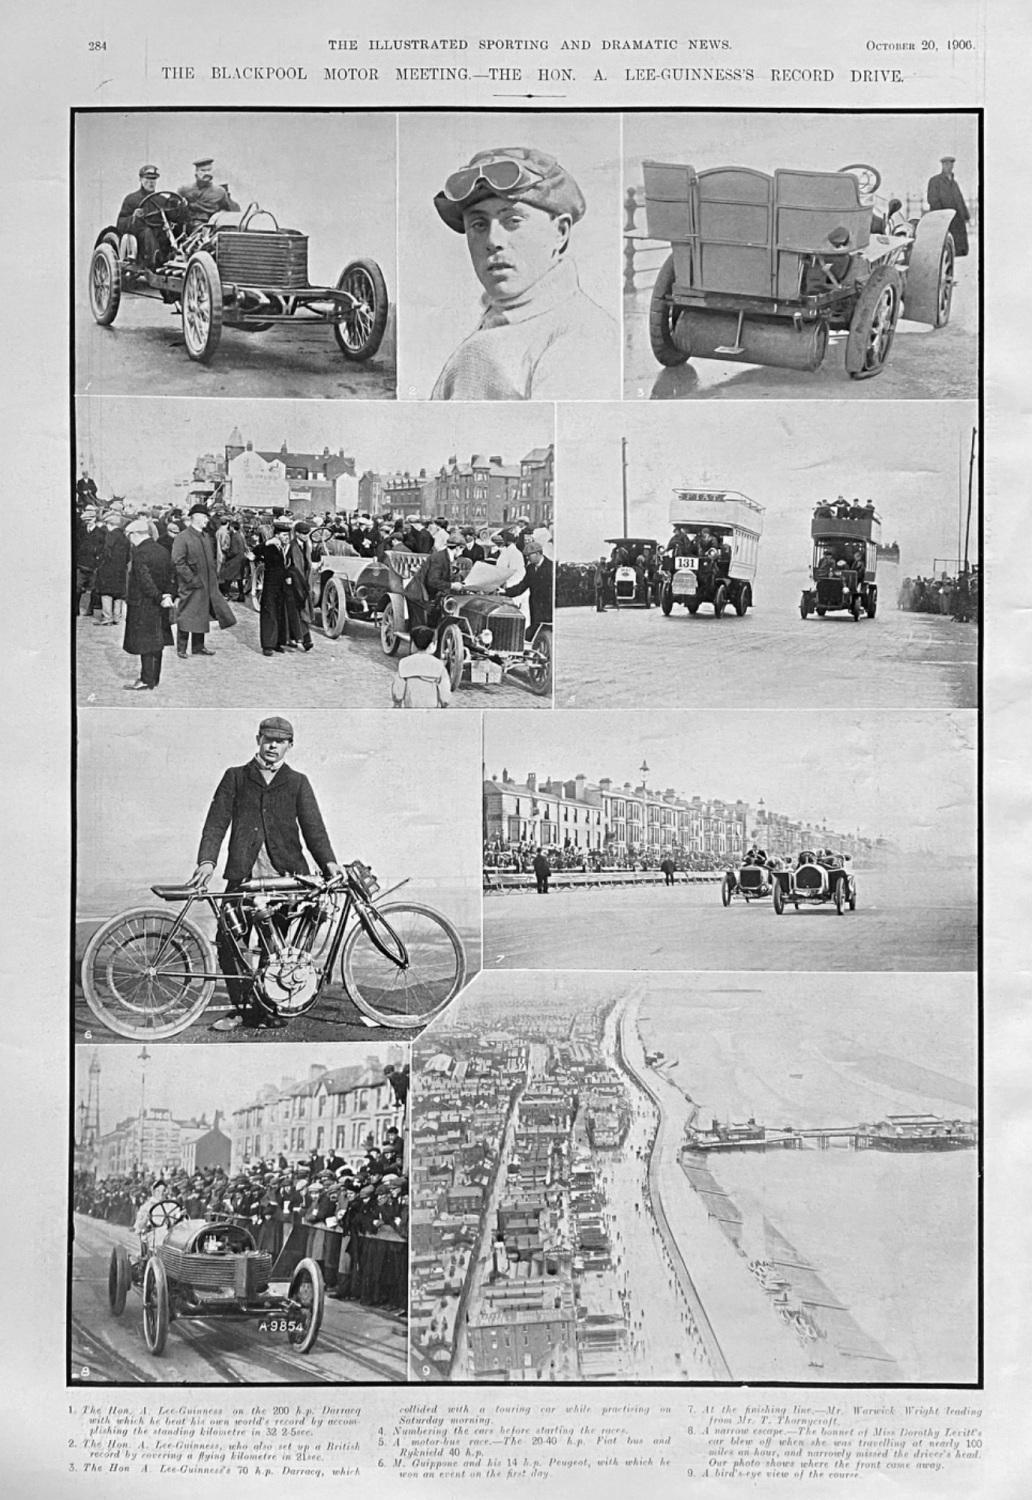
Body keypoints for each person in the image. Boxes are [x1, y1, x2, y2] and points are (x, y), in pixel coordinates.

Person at [189, 716, 342, 1032]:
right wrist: (207, 862)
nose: (273, 746)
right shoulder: (235, 777)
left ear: (290, 745)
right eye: (268, 739)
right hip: (242, 877)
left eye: (280, 741)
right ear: (258, 739)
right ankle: (241, 1009)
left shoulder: (298, 782)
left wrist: (329, 863)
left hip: (287, 880)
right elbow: (216, 823)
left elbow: (314, 829)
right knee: (230, 943)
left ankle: (264, 1010)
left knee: (277, 951)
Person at [430, 146, 618, 400]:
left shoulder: (584, 335)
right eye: (478, 225)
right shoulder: (499, 323)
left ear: (561, 233)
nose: (492, 240)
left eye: (513, 221)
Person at [171, 504, 236, 659]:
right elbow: (178, 561)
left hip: (207, 584)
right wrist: (191, 579)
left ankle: (198, 647)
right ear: (196, 517)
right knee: (187, 614)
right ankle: (181, 648)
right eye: (205, 517)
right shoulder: (183, 537)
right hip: (191, 584)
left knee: (201, 615)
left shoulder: (206, 537)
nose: (207, 520)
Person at [122, 517, 175, 691]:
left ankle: (146, 679)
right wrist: (166, 595)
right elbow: (170, 576)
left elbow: (145, 581)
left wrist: (158, 596)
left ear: (135, 534)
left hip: (143, 604)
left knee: (145, 644)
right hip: (160, 604)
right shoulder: (162, 550)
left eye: (129, 535)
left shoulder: (140, 553)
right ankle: (154, 678)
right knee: (157, 642)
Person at [115, 165, 170, 266]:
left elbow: (174, 217)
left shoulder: (162, 200)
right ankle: (155, 262)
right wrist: (134, 217)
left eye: (153, 179)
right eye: (147, 178)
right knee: (148, 232)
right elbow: (120, 224)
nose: (151, 182)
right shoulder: (131, 199)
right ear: (140, 179)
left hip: (161, 235)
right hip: (141, 240)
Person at [391, 624, 452, 708]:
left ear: (413, 644)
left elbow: (397, 695)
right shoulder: (439, 666)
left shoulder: (404, 663)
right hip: (431, 713)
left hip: (410, 713)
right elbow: (445, 698)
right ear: (433, 645)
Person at [504, 539, 553, 634]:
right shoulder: (530, 568)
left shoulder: (551, 568)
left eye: (529, 555)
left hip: (548, 607)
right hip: (535, 606)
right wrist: (504, 592)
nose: (527, 558)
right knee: (535, 630)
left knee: (545, 632)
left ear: (538, 554)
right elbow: (522, 586)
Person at [178, 156, 240, 230]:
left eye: (209, 170)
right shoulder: (185, 190)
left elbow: (234, 210)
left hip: (211, 226)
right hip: (189, 227)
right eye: (203, 171)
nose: (207, 173)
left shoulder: (219, 192)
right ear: (196, 173)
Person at [926, 155, 970, 257]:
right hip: (944, 216)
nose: (948, 166)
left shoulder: (954, 183)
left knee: (959, 242)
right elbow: (932, 199)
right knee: (944, 241)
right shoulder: (935, 181)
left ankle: (959, 251)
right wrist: (940, 214)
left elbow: (960, 200)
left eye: (950, 164)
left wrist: (965, 215)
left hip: (957, 217)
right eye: (946, 164)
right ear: (942, 166)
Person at [93, 511, 130, 627]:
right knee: (118, 594)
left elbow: (106, 552)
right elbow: (128, 555)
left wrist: (99, 561)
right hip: (120, 569)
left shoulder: (110, 536)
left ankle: (107, 617)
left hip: (108, 568)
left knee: (106, 592)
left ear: (109, 523)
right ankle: (117, 617)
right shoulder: (124, 537)